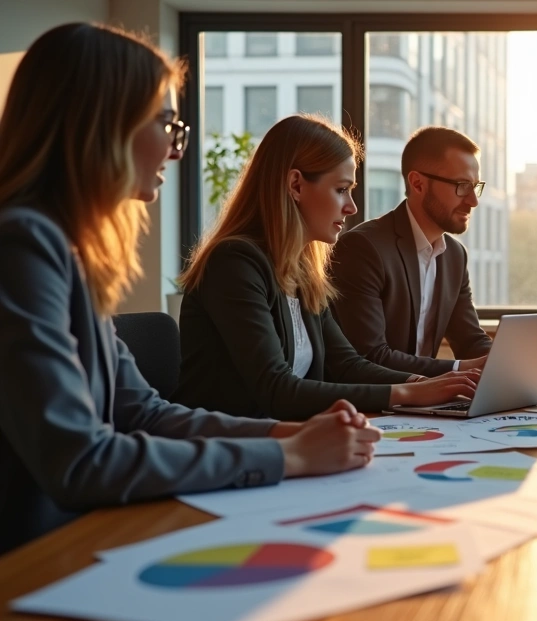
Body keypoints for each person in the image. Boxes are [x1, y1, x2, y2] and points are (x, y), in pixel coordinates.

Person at [0, 23, 382, 554]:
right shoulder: (21, 245)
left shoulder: (68, 254)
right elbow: (82, 460)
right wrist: (289, 456)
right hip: (35, 560)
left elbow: (146, 414)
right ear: (104, 123)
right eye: (166, 124)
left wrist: (289, 437)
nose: (176, 149)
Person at [175, 116, 478, 421]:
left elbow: (347, 365)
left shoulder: (303, 271)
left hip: (291, 436)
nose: (352, 207)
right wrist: (409, 394)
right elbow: (277, 389)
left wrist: (424, 384)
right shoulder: (233, 263)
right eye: (341, 189)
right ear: (296, 185)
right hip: (228, 443)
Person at [330, 126, 493, 377]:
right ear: (418, 183)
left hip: (427, 398)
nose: (473, 201)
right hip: (374, 398)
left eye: (475, 186)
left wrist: (511, 363)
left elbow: (470, 340)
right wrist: (457, 370)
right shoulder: (362, 249)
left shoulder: (455, 255)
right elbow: (371, 356)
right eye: (462, 185)